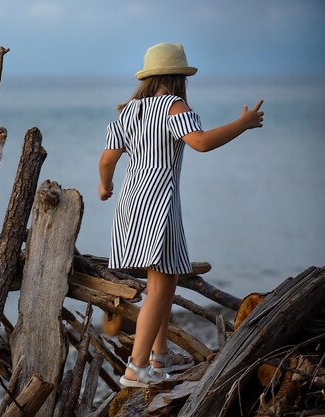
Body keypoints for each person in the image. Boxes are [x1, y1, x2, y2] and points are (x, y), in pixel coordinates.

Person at [98, 42, 264, 388]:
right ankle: (136, 368)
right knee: (160, 286)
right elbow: (200, 143)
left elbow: (107, 160)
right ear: (178, 78)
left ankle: (159, 357)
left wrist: (105, 186)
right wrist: (243, 123)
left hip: (130, 202)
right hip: (158, 202)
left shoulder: (128, 112)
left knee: (166, 280)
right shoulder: (173, 106)